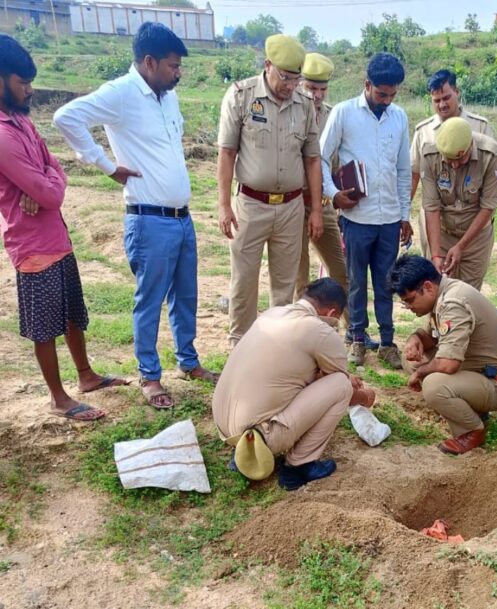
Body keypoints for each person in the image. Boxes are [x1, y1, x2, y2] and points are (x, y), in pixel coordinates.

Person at [54, 23, 216, 411]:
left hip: (181, 218)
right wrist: (106, 165)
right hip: (149, 219)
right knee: (150, 301)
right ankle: (150, 375)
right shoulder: (121, 93)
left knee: (186, 296)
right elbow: (65, 118)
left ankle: (188, 363)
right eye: (172, 66)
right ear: (148, 62)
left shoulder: (167, 97)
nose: (178, 73)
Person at [0, 35, 127, 422]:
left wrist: (46, 178)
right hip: (32, 244)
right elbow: (50, 190)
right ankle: (58, 398)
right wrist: (45, 181)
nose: (29, 89)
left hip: (56, 235)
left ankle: (86, 376)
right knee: (45, 324)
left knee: (72, 311)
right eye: (22, 82)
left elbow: (54, 168)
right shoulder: (2, 134)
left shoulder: (21, 122)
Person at [212, 278, 375, 491]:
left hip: (224, 426)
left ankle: (240, 453)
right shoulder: (320, 330)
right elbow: (341, 387)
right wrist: (365, 397)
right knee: (341, 385)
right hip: (259, 434)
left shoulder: (272, 313)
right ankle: (299, 466)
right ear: (333, 314)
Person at [216, 34, 323, 348]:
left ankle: (276, 348)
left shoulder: (304, 106)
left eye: (296, 79)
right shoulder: (242, 96)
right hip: (250, 203)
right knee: (244, 281)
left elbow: (313, 159)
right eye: (285, 77)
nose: (290, 85)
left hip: (290, 207)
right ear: (268, 66)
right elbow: (226, 153)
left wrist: (315, 208)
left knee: (284, 284)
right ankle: (240, 345)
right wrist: (224, 205)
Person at [320, 52, 411, 368]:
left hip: (388, 220)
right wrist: (333, 195)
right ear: (367, 84)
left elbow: (402, 170)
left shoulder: (399, 117)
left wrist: (404, 215)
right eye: (381, 93)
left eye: (392, 94)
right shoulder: (344, 114)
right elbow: (319, 158)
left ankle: (387, 342)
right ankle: (356, 339)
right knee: (357, 281)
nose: (387, 100)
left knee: (387, 282)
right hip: (357, 218)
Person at [390, 255, 497, 455]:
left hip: (496, 384)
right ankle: (467, 407)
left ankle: (472, 430)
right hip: (476, 370)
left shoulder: (453, 302)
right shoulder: (445, 292)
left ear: (428, 287)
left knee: (433, 385)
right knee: (413, 360)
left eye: (410, 300)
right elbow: (433, 337)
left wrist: (422, 373)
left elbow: (448, 364)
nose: (408, 307)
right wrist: (414, 338)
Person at [293, 52, 379, 352]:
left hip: (325, 204)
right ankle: (299, 336)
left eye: (322, 90)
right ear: (300, 83)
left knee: (342, 272)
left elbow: (335, 161)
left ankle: (353, 329)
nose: (316, 95)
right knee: (299, 276)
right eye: (310, 88)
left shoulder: (333, 115)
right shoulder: (289, 111)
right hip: (292, 204)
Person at [410, 69, 496, 260]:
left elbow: (490, 178)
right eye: (436, 100)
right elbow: (414, 175)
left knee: (468, 287)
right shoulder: (423, 132)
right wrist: (403, 214)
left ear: (457, 92)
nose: (442, 104)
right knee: (435, 281)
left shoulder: (480, 127)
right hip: (437, 224)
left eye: (446, 97)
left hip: (472, 224)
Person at [419, 117, 497, 289]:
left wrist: (461, 246)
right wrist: (435, 255)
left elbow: (488, 207)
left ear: (470, 145)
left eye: (461, 158)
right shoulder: (429, 155)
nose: (455, 165)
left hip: (476, 239)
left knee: (468, 296)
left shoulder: (491, 155)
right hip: (442, 235)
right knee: (436, 292)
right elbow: (432, 208)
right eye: (449, 160)